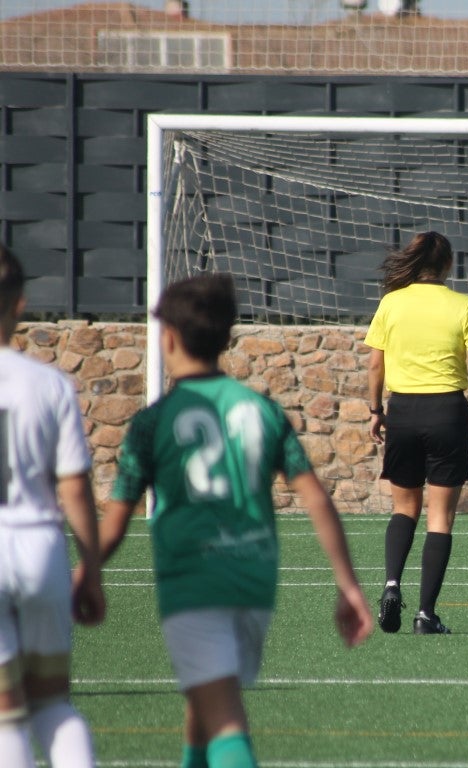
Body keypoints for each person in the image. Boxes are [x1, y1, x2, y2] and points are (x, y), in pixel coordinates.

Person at [98, 273, 374, 768]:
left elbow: (117, 520)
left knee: (224, 717)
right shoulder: (261, 411)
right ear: (227, 339)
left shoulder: (152, 423)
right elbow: (316, 499)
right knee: (206, 695)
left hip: (193, 579)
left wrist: (85, 571)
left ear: (169, 337)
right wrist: (348, 584)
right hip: (253, 579)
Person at [365, 231, 468, 636]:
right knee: (440, 518)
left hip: (403, 410)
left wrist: (376, 411)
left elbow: (375, 367)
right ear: (447, 265)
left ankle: (392, 585)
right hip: (447, 411)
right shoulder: (464, 305)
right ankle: (426, 615)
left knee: (403, 509)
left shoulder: (391, 302)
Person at [0, 244, 105, 768]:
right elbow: (75, 489)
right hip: (40, 546)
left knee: (5, 717)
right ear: (20, 304)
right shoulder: (50, 385)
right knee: (52, 705)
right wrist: (91, 568)